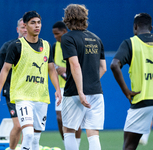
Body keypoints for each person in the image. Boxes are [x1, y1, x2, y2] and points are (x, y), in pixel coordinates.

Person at [0, 11, 62, 150]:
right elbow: (4, 70)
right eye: (33, 23)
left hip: (41, 97)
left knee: (35, 140)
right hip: (22, 96)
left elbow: (51, 70)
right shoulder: (16, 46)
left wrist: (58, 90)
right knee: (28, 135)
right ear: (25, 25)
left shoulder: (47, 45)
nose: (37, 26)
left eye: (39, 22)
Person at [60, 4, 106, 150]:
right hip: (96, 92)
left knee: (68, 130)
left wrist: (81, 91)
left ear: (67, 19)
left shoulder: (67, 38)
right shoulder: (96, 38)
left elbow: (75, 65)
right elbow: (103, 67)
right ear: (84, 17)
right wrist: (91, 82)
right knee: (93, 133)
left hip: (75, 92)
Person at [110, 13, 153, 150]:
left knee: (129, 146)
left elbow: (114, 65)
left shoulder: (130, 43)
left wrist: (126, 91)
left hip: (143, 100)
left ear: (135, 27)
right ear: (151, 28)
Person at [0, 18, 27, 150]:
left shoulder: (37, 46)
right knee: (18, 126)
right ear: (18, 29)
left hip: (30, 91)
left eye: (27, 26)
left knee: (28, 127)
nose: (25, 29)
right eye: (23, 27)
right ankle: (12, 149)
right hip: (12, 91)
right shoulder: (9, 46)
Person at [52, 21, 82, 147]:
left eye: (57, 34)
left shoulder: (74, 42)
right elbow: (51, 63)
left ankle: (77, 146)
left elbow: (79, 64)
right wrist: (55, 68)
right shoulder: (54, 46)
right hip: (61, 88)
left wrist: (65, 70)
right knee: (60, 118)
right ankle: (68, 146)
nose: (55, 36)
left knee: (75, 119)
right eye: (53, 34)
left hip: (74, 86)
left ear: (65, 31)